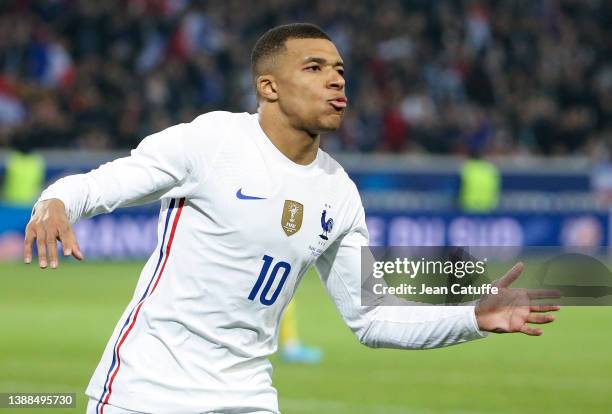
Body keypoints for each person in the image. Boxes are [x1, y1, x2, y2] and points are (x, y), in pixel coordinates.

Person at [24, 23, 559, 414]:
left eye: (340, 71)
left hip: (248, 399)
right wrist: (55, 202)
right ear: (269, 87)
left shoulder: (339, 193)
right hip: (145, 395)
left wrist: (472, 317)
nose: (336, 81)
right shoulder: (210, 142)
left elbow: (370, 319)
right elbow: (100, 184)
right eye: (315, 68)